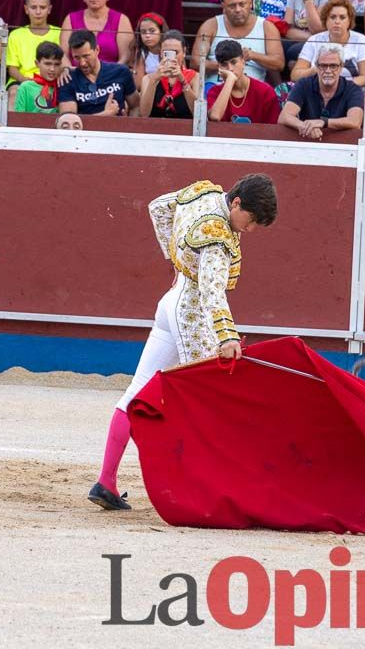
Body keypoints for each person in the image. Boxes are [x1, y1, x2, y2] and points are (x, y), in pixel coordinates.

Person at [89, 174, 278, 511]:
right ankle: (202, 490)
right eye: (250, 221)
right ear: (236, 203)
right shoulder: (218, 237)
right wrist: (228, 336)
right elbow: (211, 291)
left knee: (137, 391)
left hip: (170, 302)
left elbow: (159, 209)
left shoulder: (202, 192)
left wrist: (177, 259)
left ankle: (106, 480)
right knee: (207, 401)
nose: (249, 231)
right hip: (191, 315)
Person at [191, 0, 284, 85]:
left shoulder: (267, 27)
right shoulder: (211, 25)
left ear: (250, 4)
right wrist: (225, 65)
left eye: (242, 4)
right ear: (224, 7)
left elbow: (279, 63)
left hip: (251, 89)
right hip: (216, 87)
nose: (238, 10)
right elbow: (195, 62)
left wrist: (253, 55)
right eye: (232, 6)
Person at [278, 43, 364, 138]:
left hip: (341, 143)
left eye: (333, 66)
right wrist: (306, 127)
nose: (328, 71)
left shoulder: (353, 89)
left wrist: (324, 122)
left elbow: (355, 121)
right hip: (308, 142)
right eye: (323, 66)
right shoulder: (304, 84)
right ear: (317, 66)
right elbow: (284, 117)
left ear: (341, 67)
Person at [291, 0, 365, 88]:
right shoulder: (314, 40)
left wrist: (341, 86)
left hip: (349, 89)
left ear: (349, 21)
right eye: (332, 17)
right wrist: (314, 71)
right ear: (326, 20)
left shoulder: (361, 40)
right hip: (317, 88)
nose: (337, 21)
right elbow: (295, 75)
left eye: (342, 17)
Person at [58, 29, 139, 117]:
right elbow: (69, 121)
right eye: (76, 57)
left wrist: (129, 124)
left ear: (97, 50)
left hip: (119, 129)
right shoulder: (67, 79)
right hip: (86, 131)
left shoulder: (121, 71)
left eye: (86, 56)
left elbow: (135, 106)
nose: (82, 63)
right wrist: (105, 115)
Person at [60, 0, 134, 67]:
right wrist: (71, 71)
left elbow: (126, 56)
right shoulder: (70, 19)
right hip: (77, 76)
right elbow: (63, 54)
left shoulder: (122, 20)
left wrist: (112, 73)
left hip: (112, 76)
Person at [206, 39, 281, 124]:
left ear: (243, 61)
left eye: (233, 62)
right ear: (219, 68)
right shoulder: (214, 92)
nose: (230, 68)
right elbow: (215, 116)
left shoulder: (265, 91)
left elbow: (273, 129)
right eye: (224, 65)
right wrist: (230, 80)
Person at [4, 0, 62, 85]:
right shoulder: (16, 35)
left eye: (42, 7)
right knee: (13, 93)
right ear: (26, 9)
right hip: (22, 81)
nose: (38, 12)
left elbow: (64, 64)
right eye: (33, 7)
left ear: (49, 9)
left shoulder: (60, 33)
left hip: (53, 80)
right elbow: (12, 68)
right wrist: (24, 81)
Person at [140, 30, 200, 119]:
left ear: (184, 52)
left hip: (184, 130)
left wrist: (183, 81)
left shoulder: (194, 77)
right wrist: (154, 81)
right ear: (161, 52)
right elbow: (144, 114)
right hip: (155, 129)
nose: (172, 57)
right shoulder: (148, 79)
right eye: (167, 53)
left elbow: (198, 114)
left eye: (176, 52)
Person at [12, 40, 63, 114]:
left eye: (57, 64)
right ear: (37, 63)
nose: (52, 69)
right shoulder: (26, 87)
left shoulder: (62, 86)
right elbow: (19, 116)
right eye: (47, 64)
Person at [132, 13, 167, 91]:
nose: (147, 35)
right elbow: (138, 84)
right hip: (150, 92)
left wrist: (149, 77)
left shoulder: (171, 50)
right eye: (143, 32)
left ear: (161, 31)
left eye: (152, 31)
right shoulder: (142, 53)